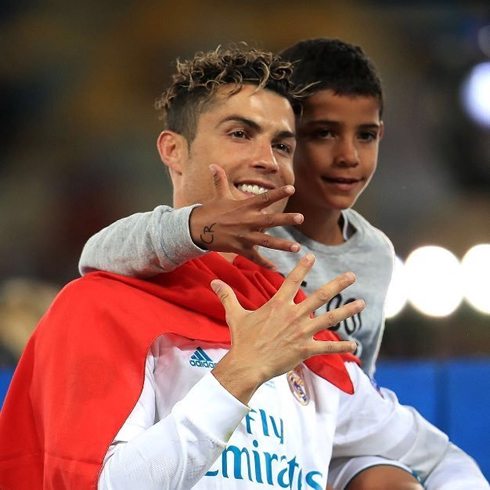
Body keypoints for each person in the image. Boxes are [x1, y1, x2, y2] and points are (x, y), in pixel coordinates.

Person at [1, 45, 487, 490]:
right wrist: (239, 374)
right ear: (173, 150)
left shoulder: (295, 327)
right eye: (239, 134)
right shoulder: (99, 309)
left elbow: (441, 460)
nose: (267, 160)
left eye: (282, 145)